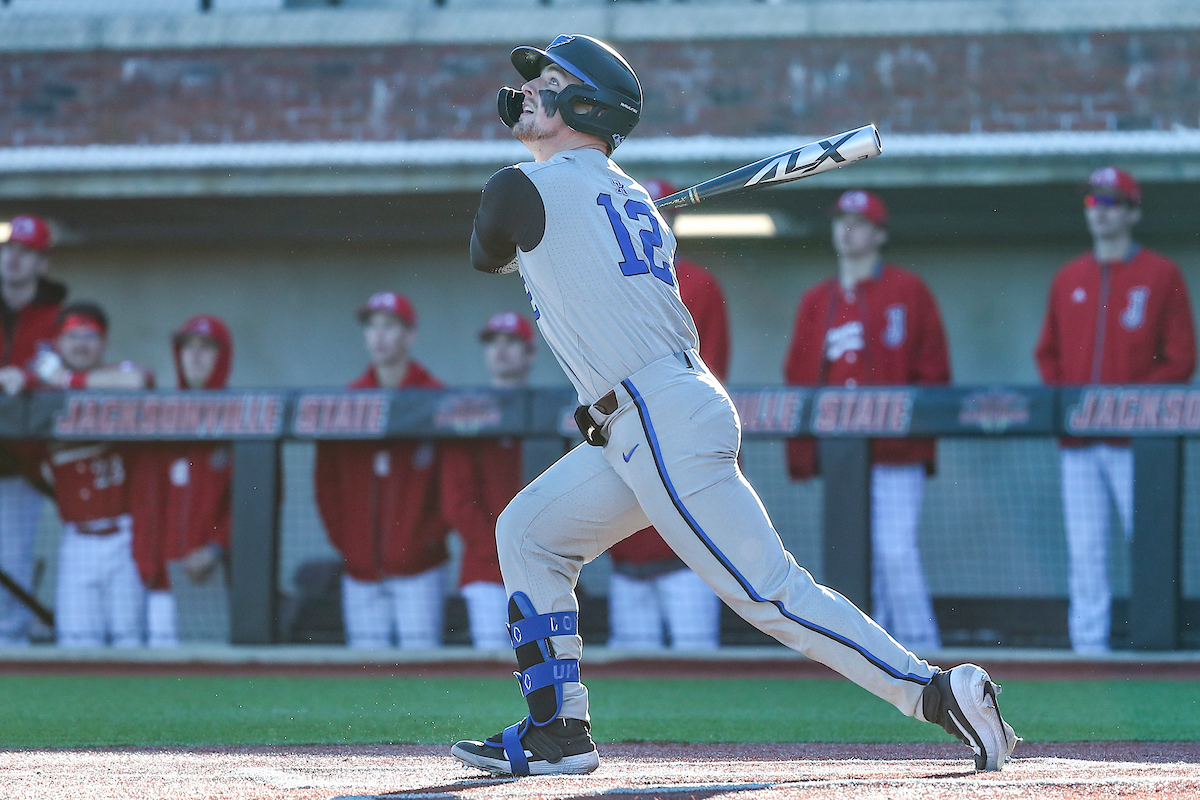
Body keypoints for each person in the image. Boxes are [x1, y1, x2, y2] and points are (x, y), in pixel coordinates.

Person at [451, 33, 1016, 777]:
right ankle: (559, 729)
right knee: (529, 531)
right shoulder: (626, 199)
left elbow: (485, 250)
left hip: (655, 415)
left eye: (548, 81)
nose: (525, 91)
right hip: (648, 416)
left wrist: (550, 184)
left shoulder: (522, 189)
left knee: (770, 593)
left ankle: (938, 693)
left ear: (584, 104)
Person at [1035, 167, 1196, 653]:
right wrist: (1074, 408)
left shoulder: (1161, 274)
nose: (1100, 211)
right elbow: (1048, 355)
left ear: (1132, 212)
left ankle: (1155, 647)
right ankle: (1088, 651)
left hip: (1137, 444)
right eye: (1093, 202)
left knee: (1146, 543)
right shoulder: (1069, 278)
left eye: (1111, 202)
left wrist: (1129, 405)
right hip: (1080, 445)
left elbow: (1182, 358)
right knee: (1085, 550)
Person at [783, 190, 949, 652]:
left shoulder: (908, 291)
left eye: (859, 221)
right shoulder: (819, 299)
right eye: (841, 220)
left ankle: (925, 654)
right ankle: (870, 658)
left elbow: (935, 372)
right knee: (853, 563)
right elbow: (797, 376)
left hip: (896, 454)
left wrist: (919, 441)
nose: (847, 229)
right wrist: (804, 456)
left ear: (879, 234)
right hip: (841, 456)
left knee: (896, 553)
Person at [604, 177, 726, 651]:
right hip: (628, 523)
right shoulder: (608, 283)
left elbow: (711, 378)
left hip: (686, 503)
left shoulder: (699, 283)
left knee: (700, 664)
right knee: (629, 675)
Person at [314, 291, 451, 649]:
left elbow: (452, 485)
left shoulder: (437, 397)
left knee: (422, 673)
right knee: (365, 680)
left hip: (420, 569)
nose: (378, 335)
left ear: (410, 336)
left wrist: (427, 538)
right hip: (361, 572)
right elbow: (325, 486)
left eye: (389, 326)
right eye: (371, 326)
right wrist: (349, 544)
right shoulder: (348, 400)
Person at [33, 302, 153, 647]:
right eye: (71, 336)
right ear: (57, 342)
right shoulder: (43, 391)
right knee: (75, 643)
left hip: (124, 535)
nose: (81, 344)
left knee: (129, 641)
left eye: (90, 336)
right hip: (76, 538)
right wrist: (39, 376)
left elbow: (138, 380)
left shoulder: (117, 374)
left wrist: (66, 379)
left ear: (103, 342)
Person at [128, 315, 234, 648]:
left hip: (213, 578)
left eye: (206, 347)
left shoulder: (241, 415)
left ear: (223, 356)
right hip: (160, 581)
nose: (196, 355)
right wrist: (146, 562)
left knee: (214, 684)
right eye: (188, 347)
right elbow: (144, 501)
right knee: (158, 683)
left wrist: (217, 547)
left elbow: (257, 503)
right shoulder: (160, 414)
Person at [441, 312, 537, 649]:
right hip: (484, 569)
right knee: (492, 665)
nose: (501, 350)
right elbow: (457, 503)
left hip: (540, 568)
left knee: (546, 661)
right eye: (493, 342)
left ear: (530, 353)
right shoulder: (468, 412)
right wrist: (499, 551)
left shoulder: (543, 410)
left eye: (511, 342)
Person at [0, 215, 66, 645]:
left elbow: (66, 368)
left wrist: (26, 377)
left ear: (41, 263)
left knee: (12, 557)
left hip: (21, 463)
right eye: (10, 250)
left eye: (26, 253)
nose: (15, 259)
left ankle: (11, 645)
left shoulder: (59, 315)